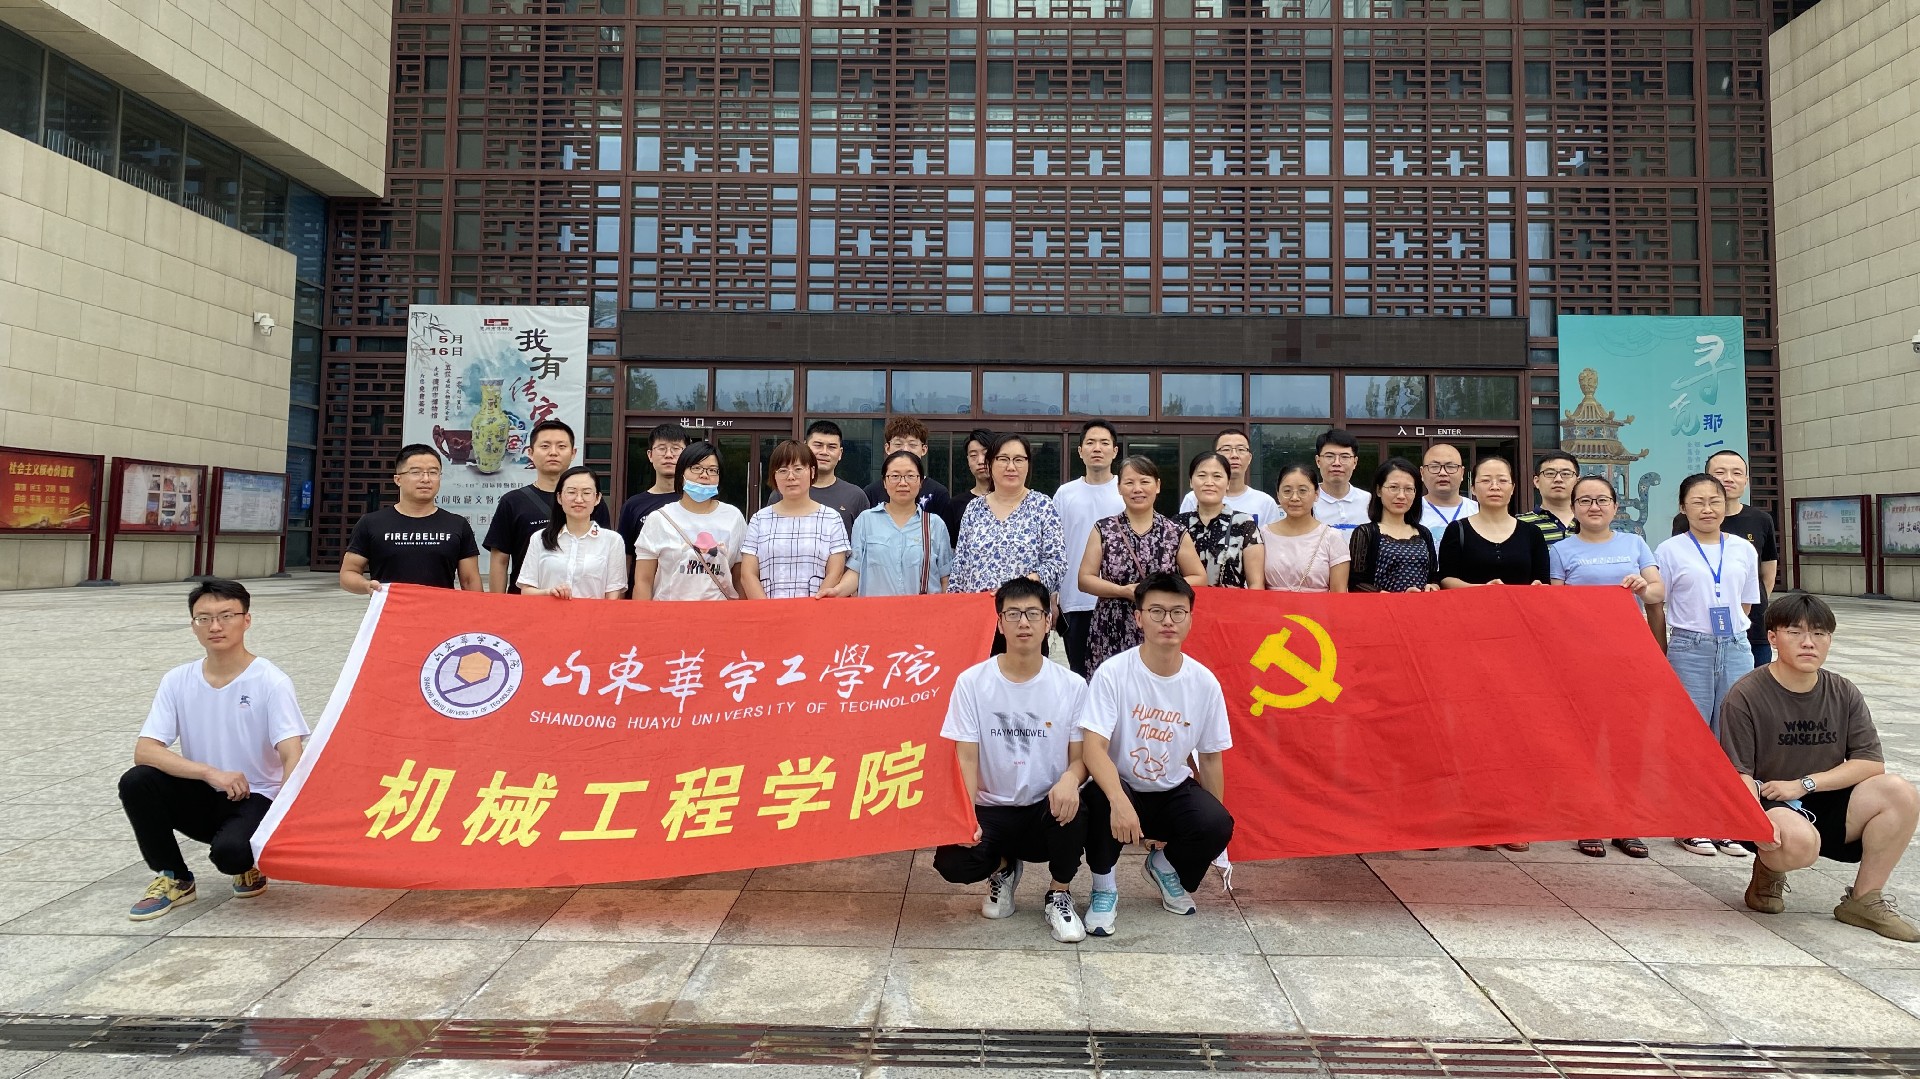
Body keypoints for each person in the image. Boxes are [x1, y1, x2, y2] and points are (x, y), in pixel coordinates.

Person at [1725, 595, 1920, 942]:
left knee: (1900, 793)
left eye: (1819, 633)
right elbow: (1738, 773)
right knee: (1801, 843)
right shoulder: (1746, 695)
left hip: (1823, 796)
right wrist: (1756, 823)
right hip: (1769, 803)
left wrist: (1805, 783)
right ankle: (1768, 872)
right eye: (1795, 632)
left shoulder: (1842, 691)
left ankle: (1863, 900)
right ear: (1772, 638)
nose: (1808, 642)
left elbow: (1870, 763)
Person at [119, 580, 309, 920]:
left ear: (246, 620)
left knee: (231, 855)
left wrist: (285, 813)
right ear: (193, 625)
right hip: (205, 792)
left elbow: (291, 753)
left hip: (257, 797)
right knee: (137, 780)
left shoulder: (271, 681)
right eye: (203, 618)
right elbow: (145, 750)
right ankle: (174, 877)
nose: (215, 626)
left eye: (226, 616)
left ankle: (249, 861)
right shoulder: (177, 680)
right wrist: (210, 773)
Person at [934, 578, 1093, 943]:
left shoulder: (1071, 686)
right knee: (953, 862)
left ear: (1048, 621)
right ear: (999, 622)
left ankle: (1059, 893)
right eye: (1013, 614)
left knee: (1078, 806)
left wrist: (1070, 780)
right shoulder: (972, 682)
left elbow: (1080, 758)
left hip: (1044, 806)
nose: (1024, 622)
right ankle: (1004, 868)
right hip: (991, 807)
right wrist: (966, 817)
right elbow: (966, 756)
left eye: (1033, 613)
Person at [1079, 573, 1234, 937]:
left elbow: (1211, 757)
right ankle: (1104, 888)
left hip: (1171, 788)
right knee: (1100, 800)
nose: (1168, 621)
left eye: (1178, 612)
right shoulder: (1113, 673)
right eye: (1157, 611)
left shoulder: (1204, 683)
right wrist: (1118, 801)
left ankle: (1164, 866)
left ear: (1190, 619)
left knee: (1217, 823)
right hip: (1121, 784)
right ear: (1138, 617)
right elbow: (1093, 747)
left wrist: (1213, 831)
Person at [1552, 475, 1664, 859]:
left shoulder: (1635, 543)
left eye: (1601, 500)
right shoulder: (1561, 550)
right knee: (1585, 741)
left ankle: (1625, 822)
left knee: (1627, 741)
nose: (1594, 507)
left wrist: (1642, 587)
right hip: (1580, 659)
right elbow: (1554, 604)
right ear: (1574, 508)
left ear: (1615, 506)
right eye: (1584, 500)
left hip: (1628, 658)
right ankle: (1587, 820)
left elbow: (1658, 591)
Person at [1656, 472, 1761, 858]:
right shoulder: (1669, 550)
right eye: (1697, 502)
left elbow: (1746, 602)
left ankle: (1723, 822)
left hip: (1735, 646)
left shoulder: (1743, 549)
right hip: (1690, 648)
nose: (1707, 509)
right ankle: (1690, 822)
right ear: (1683, 507)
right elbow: (1658, 603)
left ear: (1725, 506)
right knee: (1692, 737)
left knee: (1732, 736)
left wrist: (1730, 632)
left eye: (1714, 501)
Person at [1079, 456, 1207, 673]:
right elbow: (1085, 579)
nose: (1137, 489)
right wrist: (1122, 591)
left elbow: (1199, 577)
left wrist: (1157, 591)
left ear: (1157, 486)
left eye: (1145, 481)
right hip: (1112, 625)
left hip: (1161, 624)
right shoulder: (1104, 529)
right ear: (1119, 488)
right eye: (1129, 483)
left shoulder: (1174, 531)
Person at [1671, 450, 1779, 667]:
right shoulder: (1686, 521)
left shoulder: (1761, 519)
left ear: (1746, 480)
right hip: (1701, 632)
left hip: (1753, 627)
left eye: (1737, 473)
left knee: (1753, 685)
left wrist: (1745, 605)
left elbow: (1767, 572)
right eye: (1720, 472)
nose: (1729, 478)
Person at [482, 419, 610, 594]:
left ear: (573, 453)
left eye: (561, 446)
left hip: (581, 602)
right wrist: (498, 604)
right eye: (545, 446)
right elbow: (500, 560)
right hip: (526, 602)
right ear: (530, 452)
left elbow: (603, 554)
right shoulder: (512, 502)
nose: (553, 452)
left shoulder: (591, 503)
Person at [340, 444, 481, 594]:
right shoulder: (371, 523)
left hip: (441, 608)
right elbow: (349, 573)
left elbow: (469, 580)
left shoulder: (457, 525)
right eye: (416, 472)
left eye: (433, 472)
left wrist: (482, 608)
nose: (426, 479)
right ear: (398, 479)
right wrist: (366, 585)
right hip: (391, 607)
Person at [947, 433, 1066, 596]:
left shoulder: (1043, 506)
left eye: (1018, 459)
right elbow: (959, 569)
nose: (1011, 467)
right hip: (978, 607)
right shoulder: (974, 509)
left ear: (1028, 464)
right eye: (1003, 459)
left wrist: (1018, 588)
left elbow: (1057, 563)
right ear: (990, 463)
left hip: (1025, 606)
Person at [632, 441, 747, 601]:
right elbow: (643, 581)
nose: (704, 475)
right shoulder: (659, 518)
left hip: (720, 611)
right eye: (696, 468)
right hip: (670, 611)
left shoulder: (733, 517)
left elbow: (740, 577)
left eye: (712, 470)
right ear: (681, 473)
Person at [1054, 420, 1126, 676]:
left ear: (1115, 451)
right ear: (1080, 450)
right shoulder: (1065, 494)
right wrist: (1053, 597)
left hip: (1120, 599)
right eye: (1090, 443)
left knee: (1118, 675)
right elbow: (1055, 548)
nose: (1097, 448)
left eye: (1104, 443)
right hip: (1075, 601)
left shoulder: (1126, 491)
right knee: (1079, 674)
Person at [741, 439, 850, 599]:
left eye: (798, 469)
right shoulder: (759, 520)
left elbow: (835, 572)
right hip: (769, 609)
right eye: (783, 470)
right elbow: (748, 574)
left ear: (812, 471)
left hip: (816, 609)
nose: (791, 477)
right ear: (774, 476)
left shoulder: (831, 519)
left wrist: (813, 608)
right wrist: (766, 609)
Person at [835, 449, 953, 596]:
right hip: (877, 609)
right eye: (895, 476)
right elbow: (855, 571)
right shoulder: (866, 520)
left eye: (910, 476)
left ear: (920, 482)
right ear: (884, 482)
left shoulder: (935, 525)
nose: (903, 483)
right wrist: (835, 593)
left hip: (923, 609)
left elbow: (945, 578)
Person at [516, 466, 629, 599]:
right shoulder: (540, 538)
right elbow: (526, 590)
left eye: (586, 493)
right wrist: (549, 592)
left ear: (597, 498)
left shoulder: (612, 541)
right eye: (571, 492)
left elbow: (613, 595)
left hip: (593, 613)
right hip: (547, 612)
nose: (579, 499)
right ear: (559, 497)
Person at [1439, 457, 1551, 588]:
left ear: (1513, 488)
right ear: (1473, 488)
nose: (1494, 487)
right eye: (1486, 480)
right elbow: (1446, 579)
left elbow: (1543, 580)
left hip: (1520, 602)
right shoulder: (1457, 530)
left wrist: (1538, 586)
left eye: (1502, 480)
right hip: (1471, 601)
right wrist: (1485, 590)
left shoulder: (1532, 533)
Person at [1348, 458, 1440, 593]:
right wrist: (1388, 596)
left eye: (1409, 489)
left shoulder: (1424, 533)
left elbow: (1434, 576)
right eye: (1393, 488)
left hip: (1421, 604)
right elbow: (1355, 583)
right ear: (1379, 490)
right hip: (1384, 605)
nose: (1401, 496)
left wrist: (1433, 586)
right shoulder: (1365, 533)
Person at [616, 422, 689, 593]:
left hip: (686, 595)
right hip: (643, 594)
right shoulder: (633, 505)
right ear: (650, 455)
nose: (669, 455)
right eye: (662, 448)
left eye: (676, 449)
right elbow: (626, 556)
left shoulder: (695, 502)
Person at [1178, 451, 1265, 589]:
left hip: (1232, 602)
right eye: (1202, 476)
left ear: (1228, 483)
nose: (1209, 483)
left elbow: (1256, 583)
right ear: (1191, 481)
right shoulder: (1177, 524)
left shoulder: (1244, 524)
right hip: (1185, 602)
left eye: (1217, 476)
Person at [1262, 463, 1351, 593]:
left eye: (1303, 491)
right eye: (1287, 491)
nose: (1294, 498)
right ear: (1278, 495)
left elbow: (1339, 594)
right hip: (1271, 605)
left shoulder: (1332, 537)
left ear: (1316, 494)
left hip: (1318, 606)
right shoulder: (1263, 535)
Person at [860, 416, 955, 528]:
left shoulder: (938, 493)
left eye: (912, 445)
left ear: (924, 449)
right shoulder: (871, 492)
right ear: (887, 448)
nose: (905, 450)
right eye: (898, 444)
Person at [1177, 428, 1278, 526]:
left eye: (1241, 449)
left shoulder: (1265, 502)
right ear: (1215, 456)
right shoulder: (1194, 498)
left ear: (1250, 458)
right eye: (1226, 449)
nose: (1234, 455)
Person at [804, 420, 870, 538]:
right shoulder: (785, 493)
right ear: (805, 447)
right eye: (818, 445)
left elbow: (864, 542)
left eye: (831, 447)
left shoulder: (856, 496)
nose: (824, 452)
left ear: (840, 453)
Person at [1311, 429, 1371, 531]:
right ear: (1318, 461)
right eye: (1329, 456)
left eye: (1344, 457)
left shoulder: (1369, 501)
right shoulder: (1307, 500)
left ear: (1355, 462)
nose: (1337, 463)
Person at [1419, 443, 1478, 544]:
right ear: (1422, 473)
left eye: (1450, 466)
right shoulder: (1411, 511)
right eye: (1434, 466)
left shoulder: (1478, 511)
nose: (1442, 473)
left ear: (1462, 473)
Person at [1516, 451, 1580, 544]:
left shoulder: (1591, 522)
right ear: (1537, 481)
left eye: (1566, 474)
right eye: (1550, 473)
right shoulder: (1518, 526)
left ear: (1577, 482)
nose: (1558, 479)